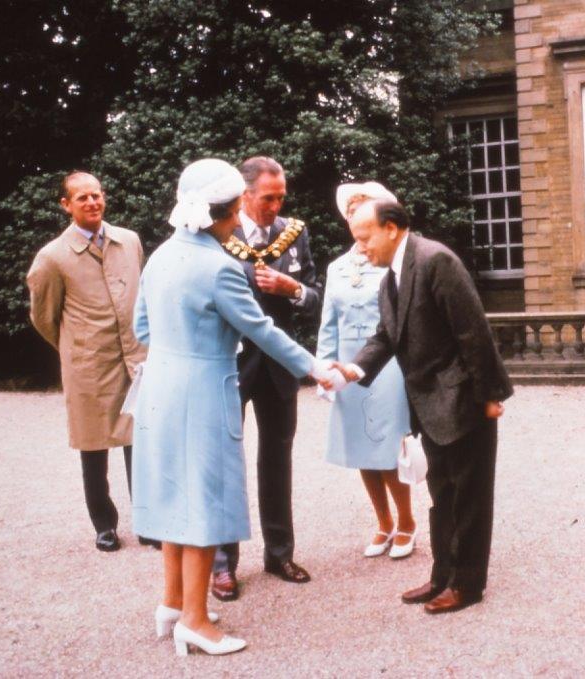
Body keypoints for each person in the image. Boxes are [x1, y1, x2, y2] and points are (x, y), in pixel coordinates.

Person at [131, 158, 337, 656]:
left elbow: (142, 328)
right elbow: (261, 331)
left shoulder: (161, 255)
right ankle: (197, 622)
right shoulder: (219, 265)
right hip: (202, 388)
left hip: (159, 386)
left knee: (176, 497)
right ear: (227, 212)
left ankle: (173, 603)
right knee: (205, 500)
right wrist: (318, 367)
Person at [333, 199, 513, 614]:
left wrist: (490, 397)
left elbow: (474, 333)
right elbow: (385, 336)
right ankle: (441, 577)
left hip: (462, 398)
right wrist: (354, 371)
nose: (360, 249)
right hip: (429, 405)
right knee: (441, 493)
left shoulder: (436, 261)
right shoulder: (389, 280)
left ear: (392, 228)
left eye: (365, 238)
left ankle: (467, 584)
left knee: (469, 496)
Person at [211, 156, 323, 602]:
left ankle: (279, 553)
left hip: (279, 365)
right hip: (230, 362)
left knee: (278, 460)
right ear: (246, 195)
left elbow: (316, 298)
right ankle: (222, 564)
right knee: (225, 462)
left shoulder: (295, 234)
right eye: (267, 197)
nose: (276, 205)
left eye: (281, 197)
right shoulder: (219, 235)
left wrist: (291, 289)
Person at [26, 172, 155, 552]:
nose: (92, 203)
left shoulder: (129, 241)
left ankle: (149, 521)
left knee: (141, 443)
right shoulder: (52, 257)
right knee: (93, 447)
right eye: (82, 198)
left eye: (96, 195)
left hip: (135, 358)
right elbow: (44, 317)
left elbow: (142, 294)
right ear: (65, 205)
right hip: (89, 364)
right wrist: (74, 347)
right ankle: (104, 524)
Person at [315, 181, 415, 559]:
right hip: (346, 365)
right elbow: (329, 322)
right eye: (350, 210)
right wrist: (324, 370)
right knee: (360, 450)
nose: (355, 214)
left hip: (387, 366)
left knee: (387, 448)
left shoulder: (391, 260)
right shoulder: (337, 267)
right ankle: (383, 522)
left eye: (363, 208)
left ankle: (407, 521)